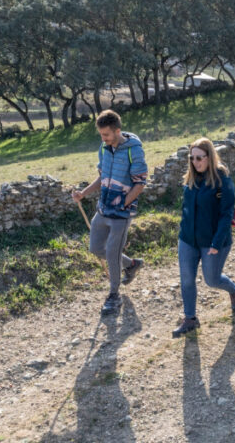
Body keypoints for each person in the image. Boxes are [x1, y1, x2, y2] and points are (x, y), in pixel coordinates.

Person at [71, 110, 147, 316]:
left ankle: (114, 295)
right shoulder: (104, 148)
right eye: (101, 135)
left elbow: (140, 183)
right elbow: (102, 178)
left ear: (117, 131)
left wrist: (123, 204)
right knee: (96, 248)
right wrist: (83, 193)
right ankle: (131, 264)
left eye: (106, 135)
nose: (103, 139)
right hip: (102, 210)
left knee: (112, 253)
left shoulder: (134, 150)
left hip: (121, 215)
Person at [173, 138, 235, 337]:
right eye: (192, 158)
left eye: (200, 158)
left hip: (213, 241)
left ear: (209, 157)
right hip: (188, 239)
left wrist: (216, 243)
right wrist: (183, 230)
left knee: (212, 280)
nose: (195, 162)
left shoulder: (222, 181)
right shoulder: (190, 179)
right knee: (187, 279)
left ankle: (234, 288)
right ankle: (190, 319)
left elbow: (226, 214)